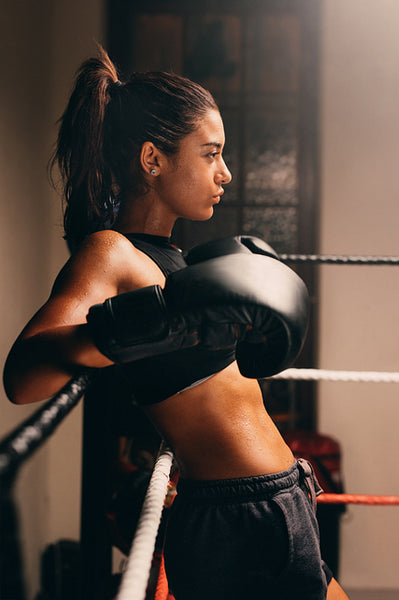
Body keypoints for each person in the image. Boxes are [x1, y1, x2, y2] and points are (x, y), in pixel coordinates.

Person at [3, 47, 348, 600]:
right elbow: (22, 377)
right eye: (210, 154)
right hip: (232, 515)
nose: (226, 172)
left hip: (287, 497)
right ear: (152, 159)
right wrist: (143, 329)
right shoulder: (111, 253)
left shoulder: (180, 265)